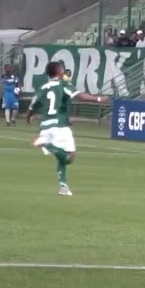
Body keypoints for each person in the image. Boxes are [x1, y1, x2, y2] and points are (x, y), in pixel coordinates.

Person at [26, 62, 105, 196]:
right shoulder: (63, 84)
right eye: (62, 70)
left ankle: (63, 186)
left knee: (60, 158)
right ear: (59, 71)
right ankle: (48, 146)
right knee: (69, 157)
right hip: (60, 125)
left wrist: (29, 117)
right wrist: (98, 98)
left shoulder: (43, 88)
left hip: (45, 127)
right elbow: (80, 96)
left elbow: (31, 106)